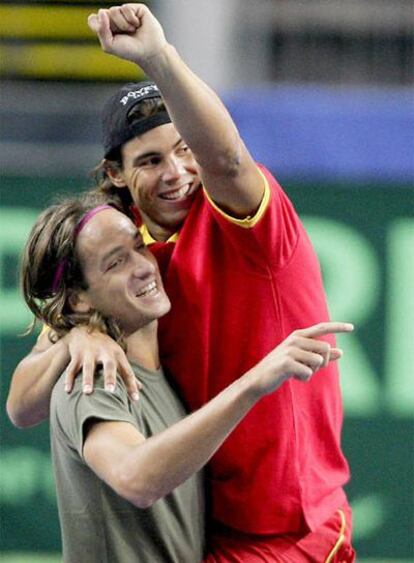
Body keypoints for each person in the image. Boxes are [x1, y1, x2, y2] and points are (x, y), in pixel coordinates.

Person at [7, 4, 356, 561]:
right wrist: (71, 338)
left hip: (288, 531)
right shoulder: (127, 262)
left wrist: (157, 58)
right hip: (205, 525)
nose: (176, 172)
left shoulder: (251, 223)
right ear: (116, 175)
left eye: (183, 148)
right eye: (150, 160)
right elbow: (22, 405)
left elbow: (224, 156)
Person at [20, 195, 350, 562]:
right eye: (116, 263)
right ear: (79, 300)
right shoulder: (92, 380)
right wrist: (255, 381)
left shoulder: (166, 368)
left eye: (138, 247)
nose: (144, 266)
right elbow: (135, 477)